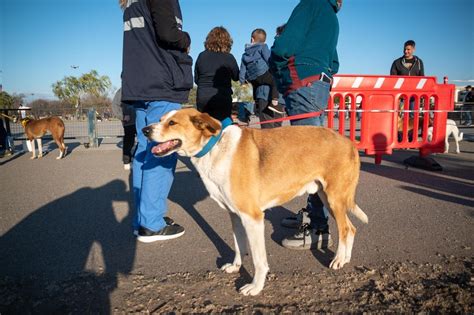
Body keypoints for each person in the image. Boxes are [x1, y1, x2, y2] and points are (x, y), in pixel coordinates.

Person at [269, 0, 342, 250]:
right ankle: (314, 214)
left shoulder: (310, 4)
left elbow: (284, 45)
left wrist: (279, 69)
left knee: (309, 161)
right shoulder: (331, 15)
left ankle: (318, 226)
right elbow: (334, 61)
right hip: (318, 84)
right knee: (315, 158)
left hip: (302, 83)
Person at [120, 0, 193, 242]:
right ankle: (151, 223)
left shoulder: (132, 3)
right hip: (161, 82)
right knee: (163, 150)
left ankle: (143, 220)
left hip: (139, 85)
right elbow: (168, 34)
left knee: (144, 150)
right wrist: (186, 40)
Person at [194, 26, 239, 121]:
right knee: (222, 127)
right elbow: (236, 77)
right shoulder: (229, 57)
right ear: (227, 41)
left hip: (203, 97)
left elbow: (197, 80)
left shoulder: (201, 56)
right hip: (222, 97)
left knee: (205, 127)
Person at [240, 29, 285, 115]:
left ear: (252, 39)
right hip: (262, 73)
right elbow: (268, 59)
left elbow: (242, 69)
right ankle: (274, 102)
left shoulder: (245, 54)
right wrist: (275, 69)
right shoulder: (263, 46)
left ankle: (254, 105)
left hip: (252, 78)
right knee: (275, 80)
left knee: (254, 88)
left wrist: (242, 82)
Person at [390, 40, 425, 118]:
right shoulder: (396, 63)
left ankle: (411, 130)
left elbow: (422, 78)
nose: (406, 51)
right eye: (404, 49)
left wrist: (421, 94)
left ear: (413, 49)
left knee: (412, 116)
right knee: (399, 117)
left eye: (408, 49)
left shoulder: (419, 62)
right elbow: (392, 80)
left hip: (414, 96)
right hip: (400, 96)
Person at [121, 102, 136, 170]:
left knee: (143, 141)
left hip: (141, 121)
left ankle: (136, 159)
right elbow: (115, 105)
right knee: (129, 142)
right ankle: (127, 162)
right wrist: (122, 116)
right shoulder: (121, 91)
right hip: (129, 123)